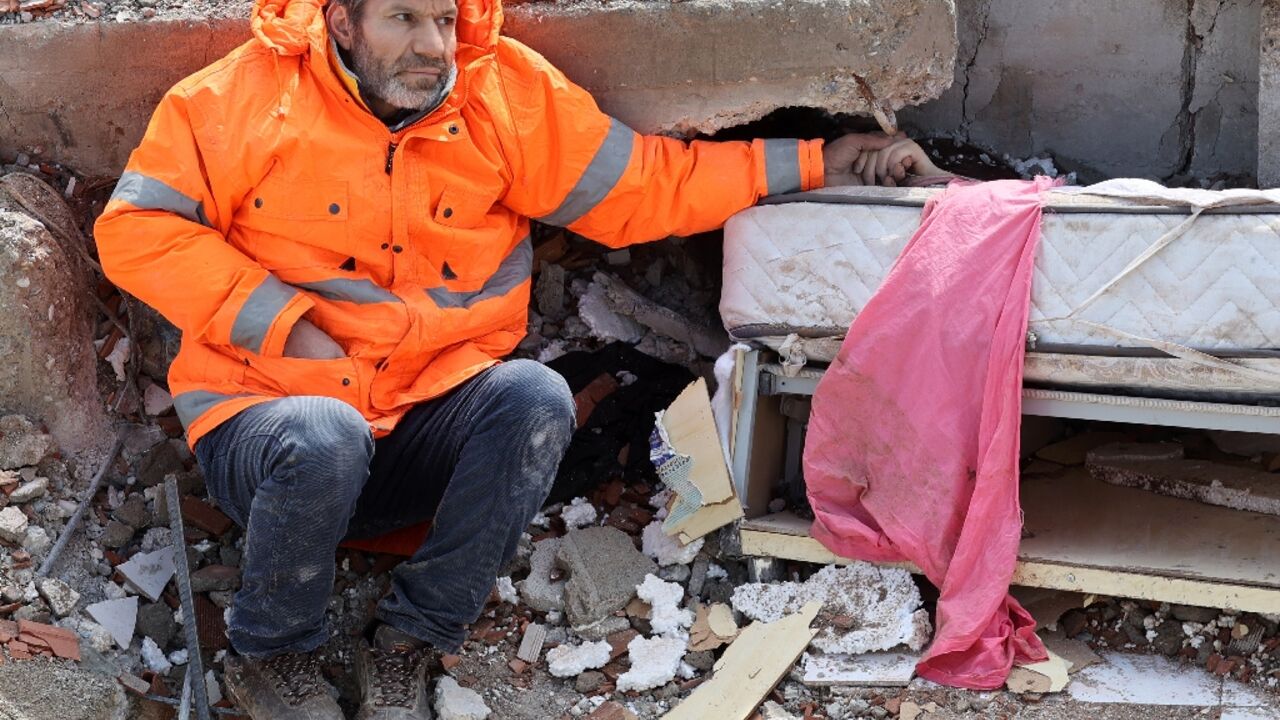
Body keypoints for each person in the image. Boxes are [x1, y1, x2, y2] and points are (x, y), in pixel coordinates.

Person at [94, 0, 938, 716]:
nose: (433, 44)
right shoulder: (236, 97)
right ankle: (272, 656)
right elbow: (135, 230)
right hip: (276, 436)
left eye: (444, 18)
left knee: (536, 398)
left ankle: (410, 643)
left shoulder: (500, 92)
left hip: (421, 428)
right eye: (402, 18)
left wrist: (823, 160)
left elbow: (647, 186)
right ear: (343, 22)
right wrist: (283, 322)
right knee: (323, 435)